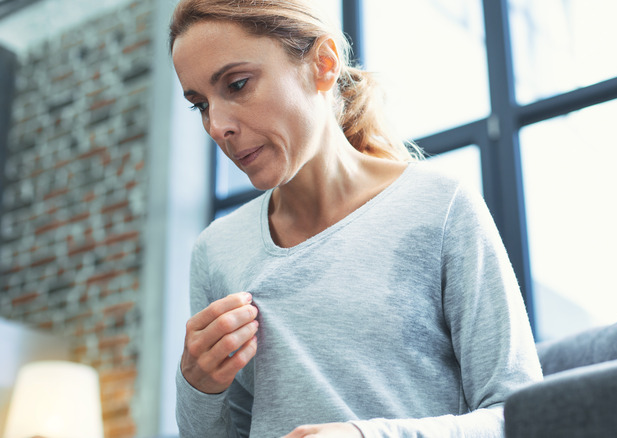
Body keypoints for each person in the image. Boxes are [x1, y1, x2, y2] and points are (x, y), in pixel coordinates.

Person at [169, 0, 543, 437]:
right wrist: (198, 386)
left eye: (236, 84)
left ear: (323, 65)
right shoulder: (216, 251)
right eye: (200, 105)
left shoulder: (440, 206)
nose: (217, 126)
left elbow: (521, 417)